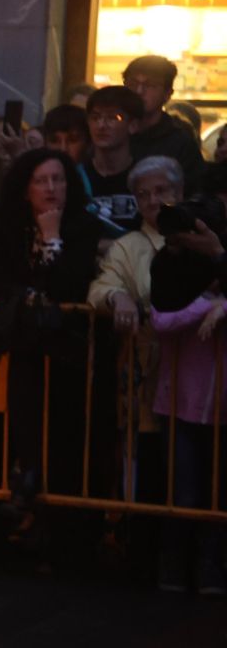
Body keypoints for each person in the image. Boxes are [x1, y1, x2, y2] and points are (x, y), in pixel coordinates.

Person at [0, 148, 106, 564]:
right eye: (41, 180)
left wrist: (52, 239)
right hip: (19, 349)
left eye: (59, 180)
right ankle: (18, 517)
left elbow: (68, 287)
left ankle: (65, 533)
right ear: (25, 187)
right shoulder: (7, 226)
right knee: (20, 433)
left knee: (67, 440)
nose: (51, 189)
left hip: (66, 352)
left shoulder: (83, 226)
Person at [90, 156, 180, 538]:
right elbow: (101, 286)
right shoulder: (129, 246)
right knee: (149, 460)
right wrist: (117, 298)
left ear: (179, 192)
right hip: (148, 374)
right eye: (143, 194)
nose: (153, 200)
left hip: (200, 374)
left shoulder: (208, 235)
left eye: (161, 191)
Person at [149, 202, 227, 594]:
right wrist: (206, 304)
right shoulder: (168, 264)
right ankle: (173, 567)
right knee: (184, 489)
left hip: (221, 401)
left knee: (219, 489)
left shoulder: (218, 258)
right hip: (178, 398)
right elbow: (161, 320)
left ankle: (212, 568)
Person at [125, 55, 205, 182]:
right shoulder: (116, 132)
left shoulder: (180, 142)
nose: (139, 91)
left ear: (167, 94)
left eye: (150, 85)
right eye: (133, 84)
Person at [85, 85, 145, 229]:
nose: (101, 125)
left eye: (113, 117)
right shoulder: (76, 177)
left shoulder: (145, 179)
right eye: (95, 117)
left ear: (133, 125)